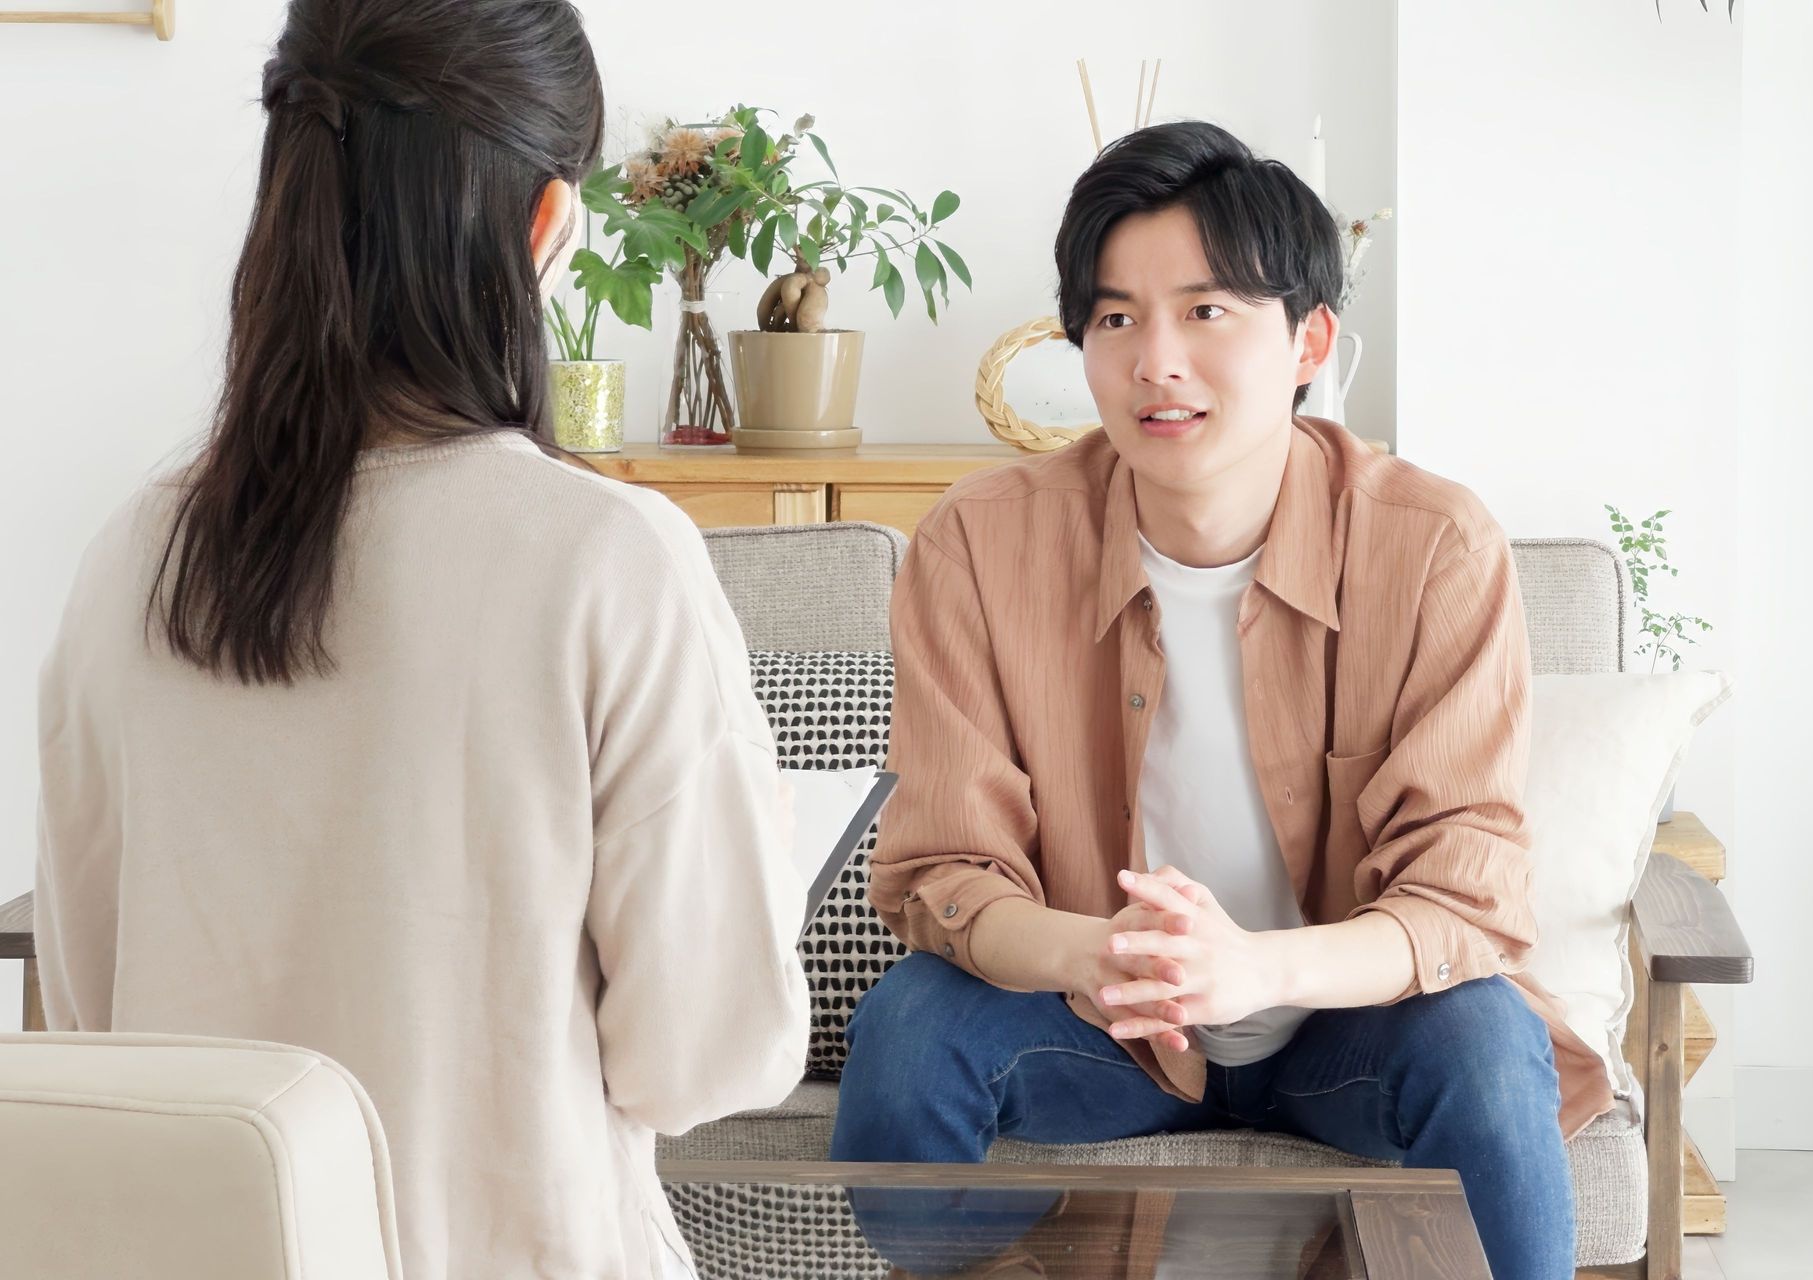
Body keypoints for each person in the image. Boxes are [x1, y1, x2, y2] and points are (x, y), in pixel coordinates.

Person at [33, 3, 810, 1277]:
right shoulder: (608, 559)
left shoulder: (133, 559)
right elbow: (702, 1060)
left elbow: (91, 1027)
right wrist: (758, 843)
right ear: (547, 224)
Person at [831, 121, 1610, 1280]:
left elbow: (1466, 896)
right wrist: (1095, 952)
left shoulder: (1433, 546)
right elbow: (944, 870)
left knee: (1487, 1040)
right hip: (1097, 1029)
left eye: (1206, 310)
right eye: (1115, 319)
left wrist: (1258, 969)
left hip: (1344, 1024)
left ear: (1309, 340)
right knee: (909, 1027)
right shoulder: (979, 544)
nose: (1157, 360)